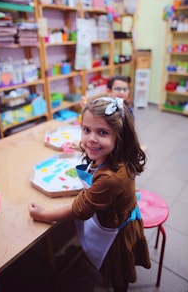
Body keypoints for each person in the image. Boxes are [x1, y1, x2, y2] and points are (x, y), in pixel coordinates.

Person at [29, 97, 151, 292]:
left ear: (120, 136)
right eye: (86, 130)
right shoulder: (115, 152)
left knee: (117, 270)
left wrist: (44, 215)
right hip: (116, 214)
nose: (91, 139)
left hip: (116, 231)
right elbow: (93, 145)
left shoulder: (111, 178)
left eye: (102, 132)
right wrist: (81, 146)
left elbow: (79, 209)